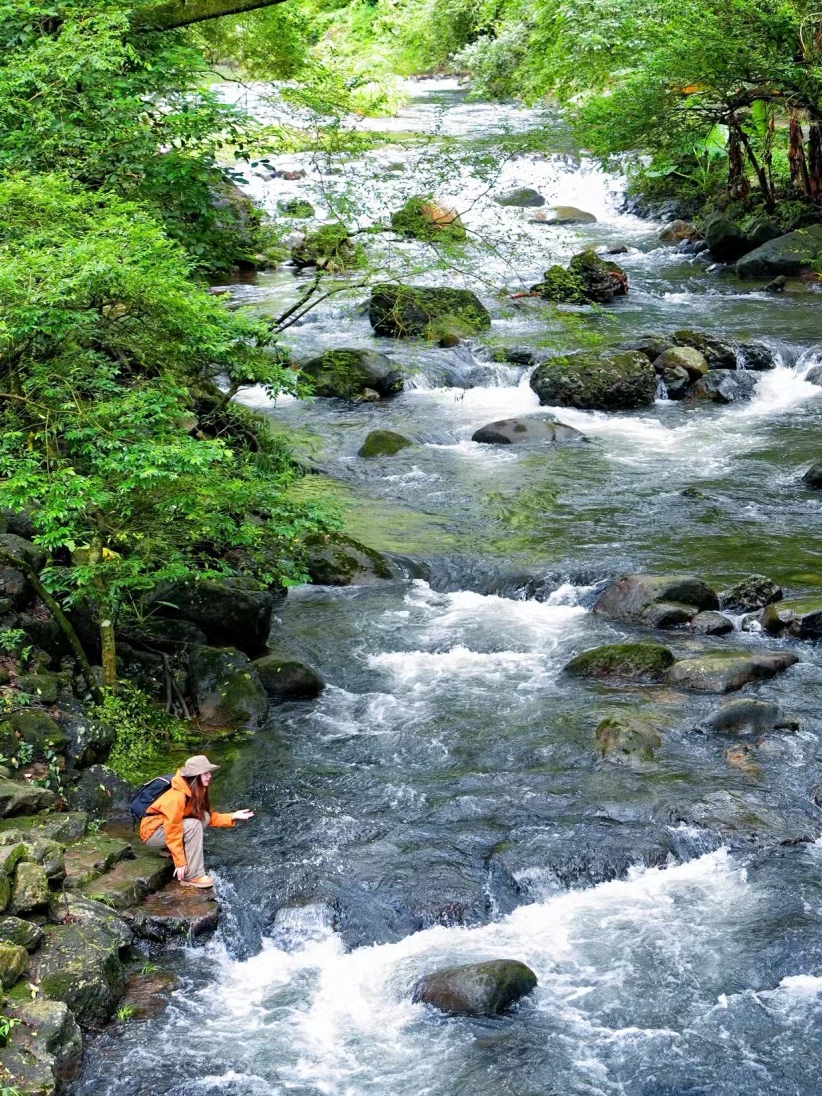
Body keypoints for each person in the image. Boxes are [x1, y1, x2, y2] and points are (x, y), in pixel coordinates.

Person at [139, 754, 254, 889]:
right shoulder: (177, 797)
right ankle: (192, 876)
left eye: (209, 772)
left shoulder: (198, 789)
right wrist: (180, 862)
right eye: (205, 773)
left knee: (204, 817)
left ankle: (168, 849)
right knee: (193, 825)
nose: (209, 776)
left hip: (164, 829)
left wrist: (232, 816)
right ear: (194, 776)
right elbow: (172, 829)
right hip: (152, 834)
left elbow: (209, 817)